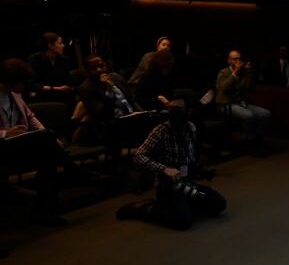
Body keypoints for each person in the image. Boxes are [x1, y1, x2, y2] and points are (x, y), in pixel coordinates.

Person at [0, 58, 100, 226]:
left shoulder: (15, 94)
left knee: (48, 154)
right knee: (48, 148)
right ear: (12, 82)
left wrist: (47, 136)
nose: (25, 86)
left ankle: (42, 213)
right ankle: (76, 173)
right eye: (22, 83)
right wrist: (5, 133)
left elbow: (31, 117)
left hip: (21, 145)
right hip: (3, 149)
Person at [115, 100, 225, 230]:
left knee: (218, 203)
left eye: (179, 109)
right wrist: (164, 168)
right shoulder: (161, 130)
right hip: (168, 186)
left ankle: (180, 205)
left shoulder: (191, 128)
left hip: (186, 183)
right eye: (173, 109)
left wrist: (198, 169)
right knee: (183, 221)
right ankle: (146, 208)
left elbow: (190, 158)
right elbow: (138, 156)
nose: (176, 113)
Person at [75, 54, 137, 145]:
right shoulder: (85, 88)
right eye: (93, 68)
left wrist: (144, 113)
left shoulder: (116, 77)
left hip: (131, 118)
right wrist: (109, 90)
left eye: (101, 66)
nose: (99, 70)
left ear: (105, 65)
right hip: (111, 126)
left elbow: (131, 100)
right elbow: (101, 114)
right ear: (87, 70)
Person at [215, 50, 271, 145]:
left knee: (266, 114)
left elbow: (248, 88)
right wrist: (235, 72)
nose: (238, 61)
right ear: (229, 61)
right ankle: (250, 140)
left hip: (241, 103)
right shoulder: (223, 73)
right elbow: (224, 88)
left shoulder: (243, 73)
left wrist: (248, 73)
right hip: (226, 104)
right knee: (250, 116)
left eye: (239, 58)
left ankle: (259, 139)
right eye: (235, 59)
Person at [27, 32, 74, 104]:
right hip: (43, 95)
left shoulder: (64, 60)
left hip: (60, 94)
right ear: (50, 46)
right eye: (60, 43)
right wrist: (55, 88)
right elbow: (32, 83)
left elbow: (68, 81)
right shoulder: (34, 59)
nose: (63, 45)